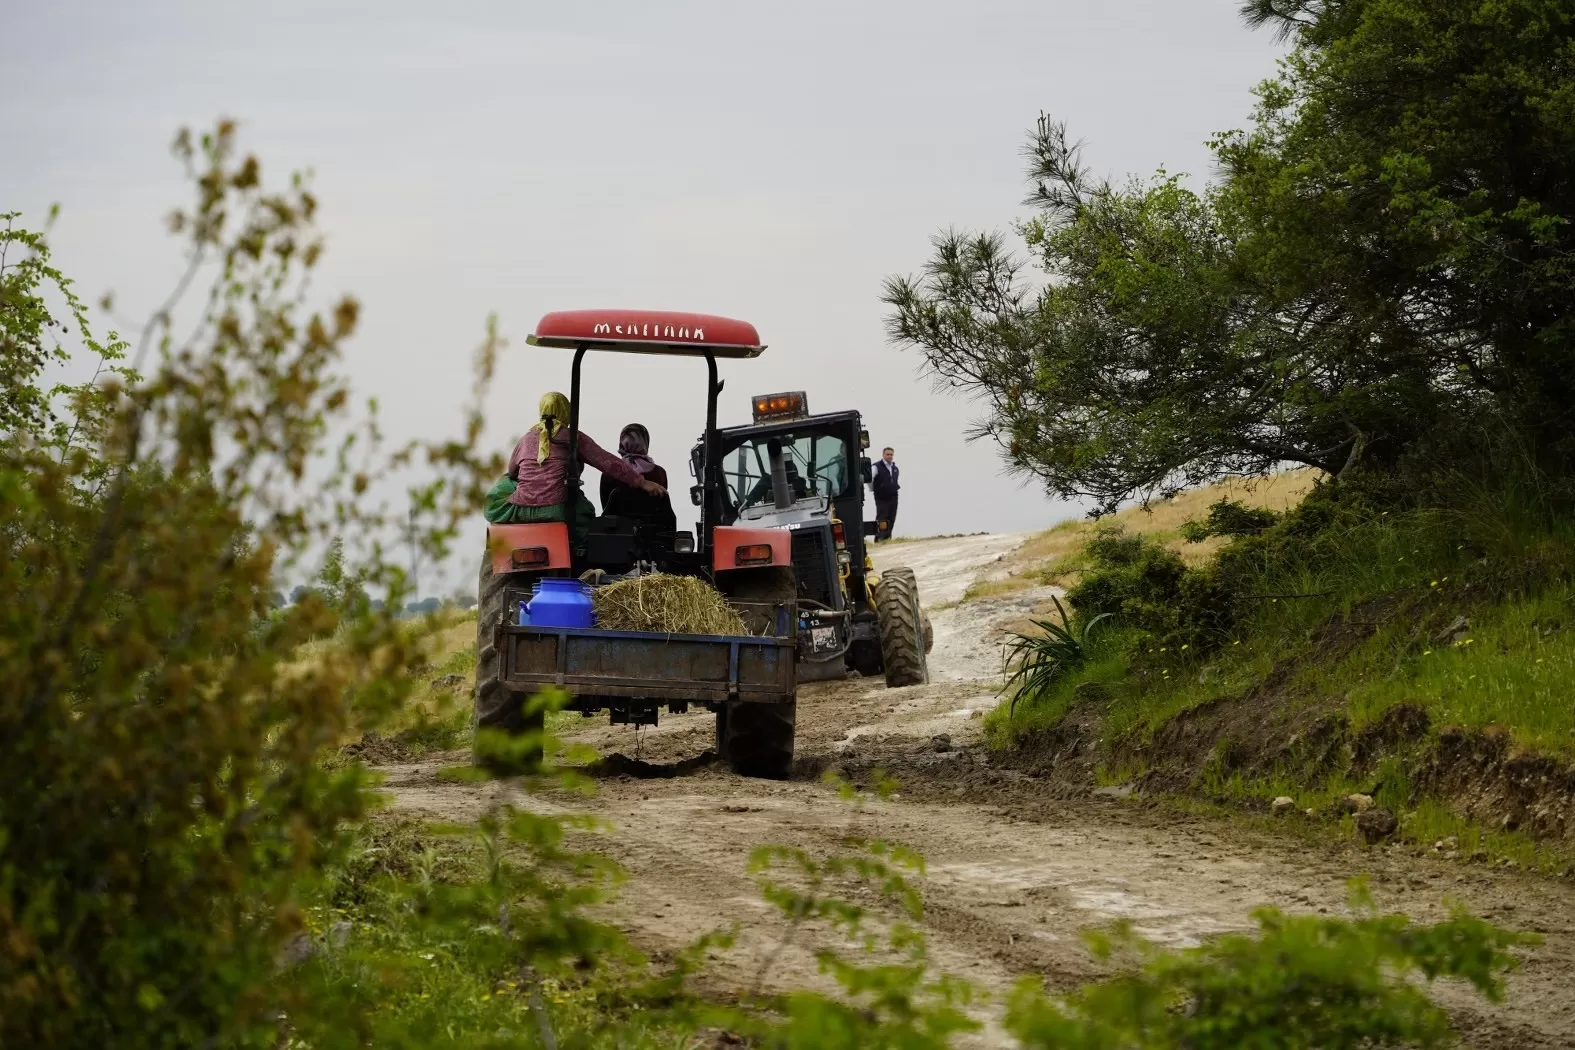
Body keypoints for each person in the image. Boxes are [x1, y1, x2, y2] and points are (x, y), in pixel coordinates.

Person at [485, 392, 664, 538]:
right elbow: (608, 463)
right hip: (558, 510)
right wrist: (641, 482)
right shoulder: (574, 438)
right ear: (566, 411)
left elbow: (512, 472)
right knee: (587, 514)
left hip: (520, 510)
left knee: (505, 481)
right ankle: (582, 558)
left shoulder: (525, 440)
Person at [600, 422, 677, 533]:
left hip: (616, 533)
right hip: (652, 534)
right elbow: (661, 503)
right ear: (646, 442)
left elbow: (606, 507)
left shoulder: (609, 474)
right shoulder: (659, 473)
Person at [871, 446, 899, 541]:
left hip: (893, 496)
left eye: (891, 454)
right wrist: (874, 490)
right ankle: (880, 538)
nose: (889, 456)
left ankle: (888, 537)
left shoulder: (895, 468)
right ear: (883, 455)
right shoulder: (876, 466)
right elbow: (870, 479)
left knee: (892, 517)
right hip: (881, 496)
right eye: (887, 454)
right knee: (882, 517)